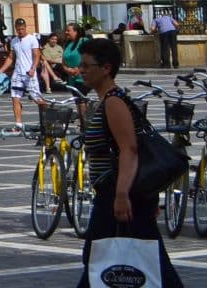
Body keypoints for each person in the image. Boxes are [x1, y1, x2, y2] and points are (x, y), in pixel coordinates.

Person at [73, 37, 185, 288]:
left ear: (106, 68)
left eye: (87, 65)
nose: (82, 70)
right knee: (137, 258)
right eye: (81, 65)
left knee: (101, 259)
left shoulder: (113, 102)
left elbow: (129, 149)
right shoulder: (107, 100)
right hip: (116, 193)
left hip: (117, 194)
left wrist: (122, 194)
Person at [0, 17, 48, 130]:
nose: (20, 31)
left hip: (29, 73)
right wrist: (0, 71)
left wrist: (33, 68)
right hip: (18, 73)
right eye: (18, 29)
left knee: (37, 98)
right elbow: (11, 58)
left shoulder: (32, 39)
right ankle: (18, 124)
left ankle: (51, 117)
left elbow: (36, 55)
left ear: (25, 28)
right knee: (15, 97)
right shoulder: (14, 41)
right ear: (15, 29)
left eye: (22, 29)